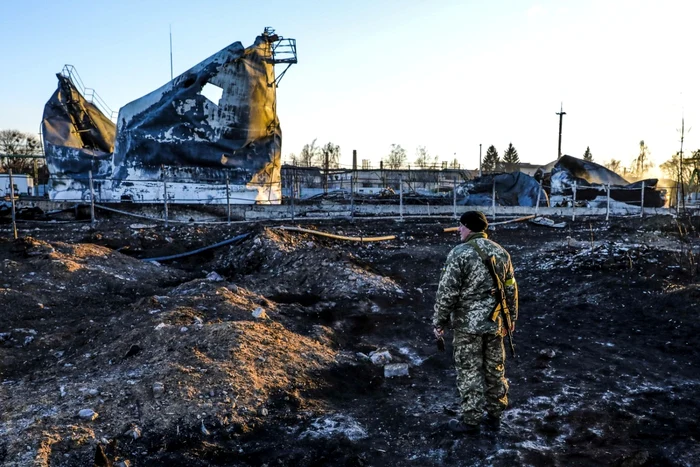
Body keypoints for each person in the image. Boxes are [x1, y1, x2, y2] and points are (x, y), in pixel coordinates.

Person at [433, 210, 518, 434]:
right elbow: (510, 288)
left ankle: (471, 420)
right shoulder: (502, 253)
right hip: (495, 323)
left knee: (469, 370)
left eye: (460, 226)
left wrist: (439, 321)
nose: (459, 230)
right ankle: (495, 415)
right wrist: (511, 318)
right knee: (494, 369)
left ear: (469, 227)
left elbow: (447, 292)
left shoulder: (459, 253)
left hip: (467, 326)